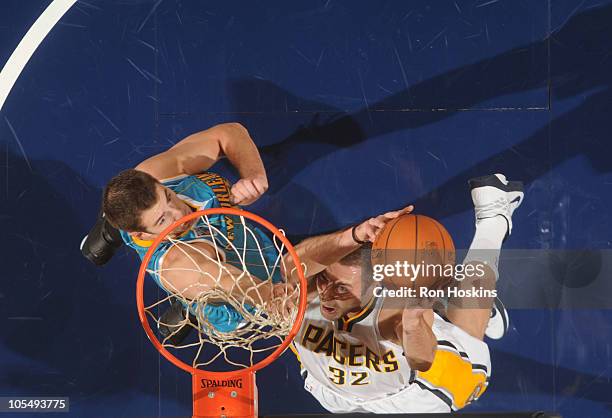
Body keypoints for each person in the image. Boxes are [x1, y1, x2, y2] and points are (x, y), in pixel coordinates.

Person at [291, 173, 523, 413]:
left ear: (376, 285)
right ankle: (447, 291)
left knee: (467, 337)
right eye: (324, 279)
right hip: (329, 390)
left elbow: (422, 360)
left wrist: (412, 325)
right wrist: (353, 235)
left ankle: (492, 220)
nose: (326, 294)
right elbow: (286, 267)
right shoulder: (301, 290)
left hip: (410, 395)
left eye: (341, 288)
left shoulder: (394, 310)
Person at [81, 122, 289, 334]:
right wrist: (268, 295)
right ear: (141, 234)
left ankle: (113, 226)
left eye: (169, 197)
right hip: (221, 292)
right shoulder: (174, 264)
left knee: (126, 192)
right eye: (163, 219)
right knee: (201, 291)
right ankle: (191, 306)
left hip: (235, 240)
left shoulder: (156, 174)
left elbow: (228, 133)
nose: (179, 214)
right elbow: (225, 280)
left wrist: (254, 176)